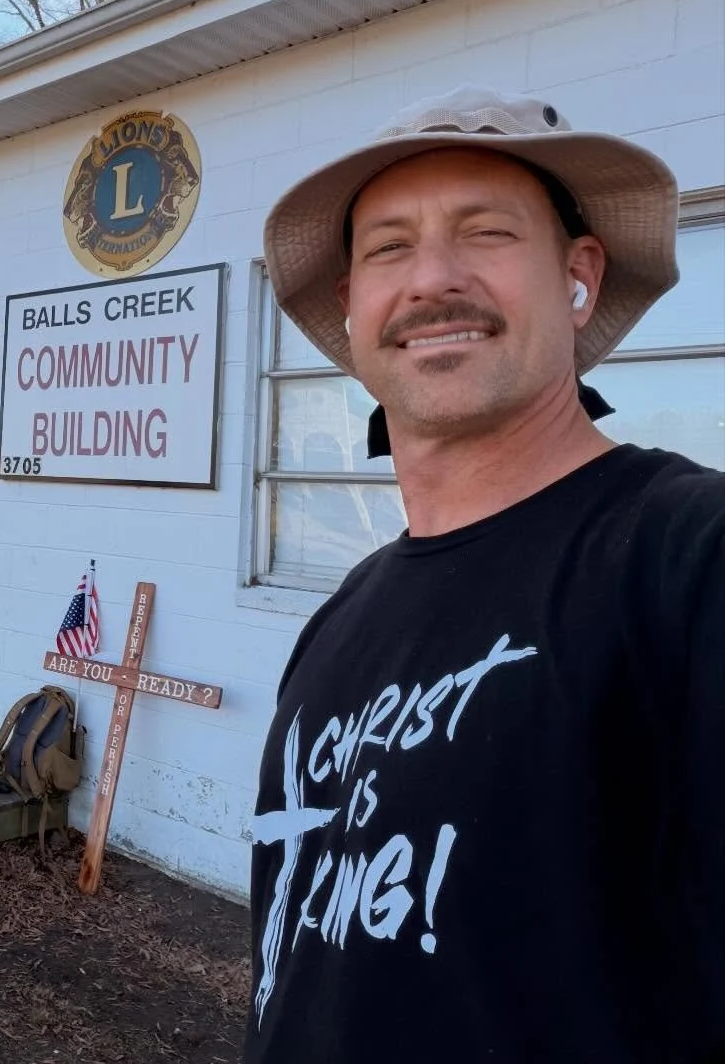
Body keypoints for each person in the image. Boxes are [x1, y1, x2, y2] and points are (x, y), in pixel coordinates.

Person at [247, 86, 724, 1062]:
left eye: (487, 231)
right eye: (387, 246)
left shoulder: (690, 561)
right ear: (350, 305)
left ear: (578, 274)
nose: (432, 278)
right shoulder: (342, 618)